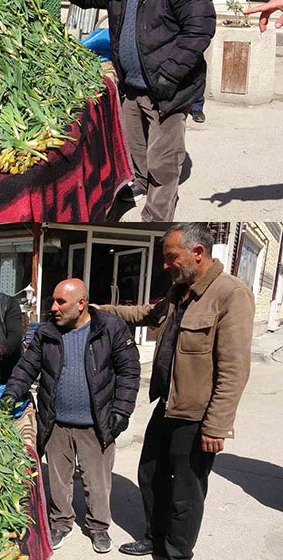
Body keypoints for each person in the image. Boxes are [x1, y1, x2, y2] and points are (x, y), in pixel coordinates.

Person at [95, 224, 253, 559]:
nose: (165, 265)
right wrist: (100, 311)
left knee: (186, 491)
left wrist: (216, 425)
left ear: (198, 253)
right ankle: (156, 536)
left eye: (170, 257)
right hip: (167, 405)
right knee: (150, 473)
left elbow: (234, 368)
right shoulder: (180, 289)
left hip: (197, 416)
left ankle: (177, 553)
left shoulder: (230, 294)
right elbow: (146, 315)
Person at [51, 0, 215, 222]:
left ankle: (155, 218)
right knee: (134, 147)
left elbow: (200, 29)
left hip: (167, 90)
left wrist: (170, 73)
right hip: (132, 87)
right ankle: (139, 182)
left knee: (163, 161)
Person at [0, 279, 141, 553]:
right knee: (58, 478)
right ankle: (61, 522)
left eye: (60, 302)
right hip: (56, 422)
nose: (53, 307)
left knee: (97, 481)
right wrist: (11, 393)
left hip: (96, 423)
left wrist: (121, 411)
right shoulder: (47, 333)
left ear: (81, 303)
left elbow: (129, 372)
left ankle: (98, 526)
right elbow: (26, 367)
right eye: (53, 300)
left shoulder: (110, 329)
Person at [165, 0, 213, 124]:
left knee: (196, 65)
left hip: (194, 26)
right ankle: (174, 102)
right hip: (169, 26)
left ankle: (197, 106)